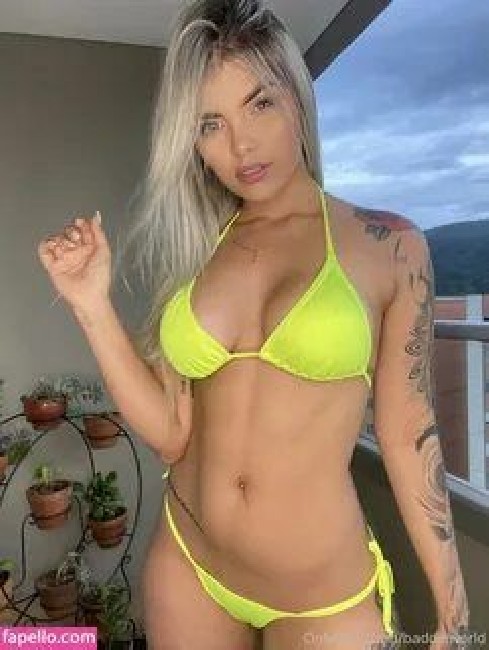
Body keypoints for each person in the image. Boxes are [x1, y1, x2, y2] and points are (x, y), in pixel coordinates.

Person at [38, 0, 470, 648]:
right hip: (190, 563)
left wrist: (453, 618)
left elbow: (409, 434)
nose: (240, 145)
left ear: (296, 96)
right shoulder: (196, 249)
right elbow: (171, 435)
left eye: (259, 103)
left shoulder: (390, 246)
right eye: (210, 124)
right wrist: (91, 305)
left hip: (320, 596)